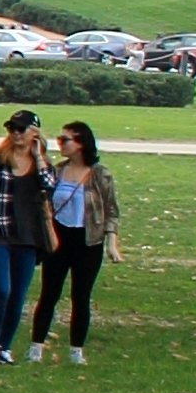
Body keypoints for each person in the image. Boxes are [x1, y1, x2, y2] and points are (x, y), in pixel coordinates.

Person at [0, 111, 54, 366]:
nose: (15, 133)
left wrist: (38, 157)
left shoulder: (43, 165)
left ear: (34, 133)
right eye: (12, 128)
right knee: (2, 289)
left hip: (27, 237)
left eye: (21, 129)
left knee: (18, 294)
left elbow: (49, 186)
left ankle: (5, 347)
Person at [32, 118, 116, 363]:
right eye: (59, 139)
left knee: (81, 296)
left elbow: (111, 210)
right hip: (59, 239)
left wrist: (112, 243)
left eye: (65, 140)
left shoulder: (100, 174)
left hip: (88, 241)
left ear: (80, 143)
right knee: (49, 294)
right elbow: (43, 199)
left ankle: (76, 350)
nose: (60, 144)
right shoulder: (58, 171)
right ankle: (36, 347)